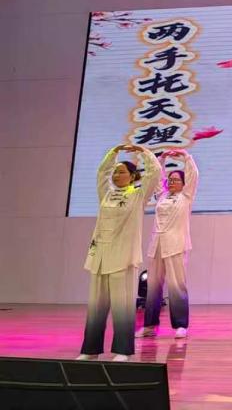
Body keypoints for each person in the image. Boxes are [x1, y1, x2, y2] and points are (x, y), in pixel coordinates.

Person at [78, 143, 161, 361]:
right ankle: (90, 350)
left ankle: (123, 350)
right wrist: (113, 153)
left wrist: (143, 152)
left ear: (133, 177)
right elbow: (102, 173)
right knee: (96, 307)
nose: (116, 175)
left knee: (122, 306)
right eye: (115, 172)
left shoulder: (138, 195)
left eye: (122, 172)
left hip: (123, 258)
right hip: (99, 257)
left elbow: (154, 173)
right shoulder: (106, 194)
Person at [138, 149, 199, 339]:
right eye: (170, 179)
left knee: (176, 286)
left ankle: (180, 325)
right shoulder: (162, 196)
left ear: (183, 183)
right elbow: (157, 177)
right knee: (153, 287)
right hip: (157, 245)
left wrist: (185, 156)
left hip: (176, 246)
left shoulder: (186, 196)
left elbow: (193, 175)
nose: (171, 182)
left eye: (176, 180)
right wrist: (161, 159)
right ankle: (149, 326)